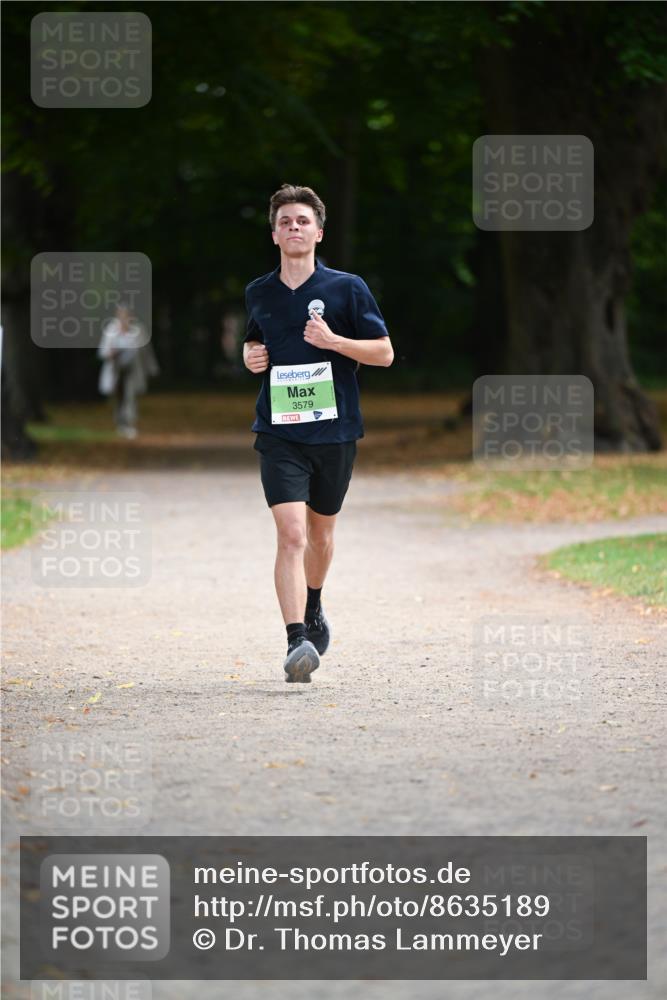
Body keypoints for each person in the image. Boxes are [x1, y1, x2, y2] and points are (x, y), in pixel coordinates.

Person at [243, 183, 394, 683]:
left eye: (302, 220)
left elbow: (384, 353)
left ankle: (313, 604)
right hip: (279, 433)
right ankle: (295, 641)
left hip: (333, 432)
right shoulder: (259, 292)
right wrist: (250, 356)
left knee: (321, 535)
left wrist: (335, 341)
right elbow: (254, 343)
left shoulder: (347, 288)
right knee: (291, 535)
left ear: (318, 231)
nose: (294, 227)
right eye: (285, 221)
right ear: (274, 234)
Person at [98, 303, 159, 438]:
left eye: (127, 314)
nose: (124, 317)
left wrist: (151, 369)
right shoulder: (111, 330)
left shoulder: (138, 330)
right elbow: (103, 351)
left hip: (132, 370)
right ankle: (120, 423)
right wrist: (111, 353)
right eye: (121, 314)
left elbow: (146, 352)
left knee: (130, 397)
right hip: (116, 371)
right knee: (118, 398)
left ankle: (130, 424)